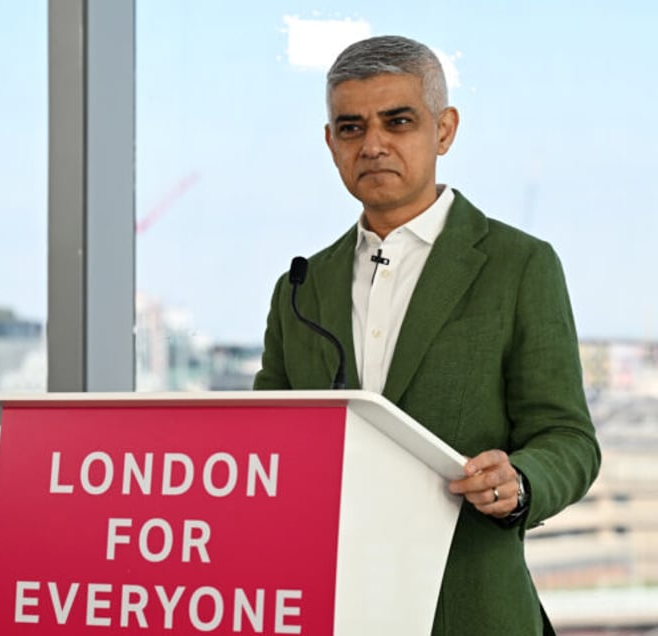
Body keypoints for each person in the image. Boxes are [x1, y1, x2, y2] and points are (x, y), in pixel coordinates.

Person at [253, 35, 601, 635]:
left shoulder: (520, 266)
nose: (374, 145)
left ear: (444, 131)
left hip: (469, 610)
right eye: (351, 128)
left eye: (399, 121)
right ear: (330, 142)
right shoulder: (300, 288)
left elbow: (568, 437)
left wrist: (519, 482)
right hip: (328, 609)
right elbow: (267, 448)